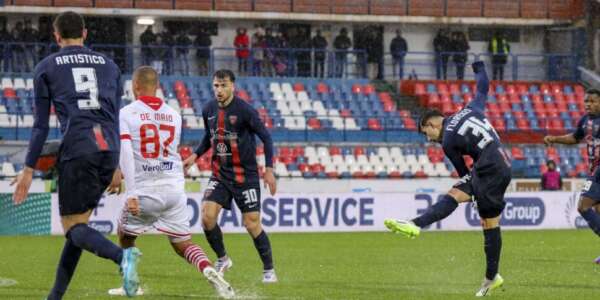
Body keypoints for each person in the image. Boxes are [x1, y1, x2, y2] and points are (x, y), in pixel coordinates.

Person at [10, 11, 141, 299]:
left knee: (73, 228)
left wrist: (28, 169)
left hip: (78, 147)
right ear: (85, 33)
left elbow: (41, 125)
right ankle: (55, 296)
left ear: (56, 36)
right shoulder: (110, 66)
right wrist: (117, 165)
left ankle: (123, 257)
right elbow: (114, 117)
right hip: (108, 149)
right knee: (78, 226)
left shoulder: (46, 67)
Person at [106, 66, 235, 299]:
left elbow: (127, 151)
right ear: (157, 87)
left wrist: (131, 192)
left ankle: (131, 286)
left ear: (135, 86)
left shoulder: (127, 113)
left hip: (145, 190)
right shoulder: (174, 115)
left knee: (125, 234)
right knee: (182, 242)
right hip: (174, 189)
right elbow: (164, 153)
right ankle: (207, 268)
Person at [384, 61, 510, 297]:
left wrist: (471, 189)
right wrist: (480, 67)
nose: (429, 139)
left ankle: (416, 224)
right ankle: (492, 277)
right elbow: (483, 87)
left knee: (458, 198)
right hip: (500, 163)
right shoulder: (470, 109)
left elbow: (463, 171)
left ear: (432, 124)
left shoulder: (448, 140)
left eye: (426, 133)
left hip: (489, 167)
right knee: (488, 223)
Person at [182, 69, 278, 283]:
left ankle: (269, 270)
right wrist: (195, 156)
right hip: (220, 175)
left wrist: (269, 169)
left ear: (232, 86)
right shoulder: (208, 109)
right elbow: (209, 136)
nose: (219, 90)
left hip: (245, 176)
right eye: (216, 85)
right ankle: (223, 258)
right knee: (206, 217)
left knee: (252, 224)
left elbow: (267, 138)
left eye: (223, 85)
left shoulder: (245, 111)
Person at [544, 89, 600, 264]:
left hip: (598, 171)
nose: (588, 104)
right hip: (594, 170)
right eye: (586, 101)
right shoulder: (585, 121)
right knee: (598, 210)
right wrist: (554, 139)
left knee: (583, 206)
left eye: (592, 101)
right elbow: (575, 138)